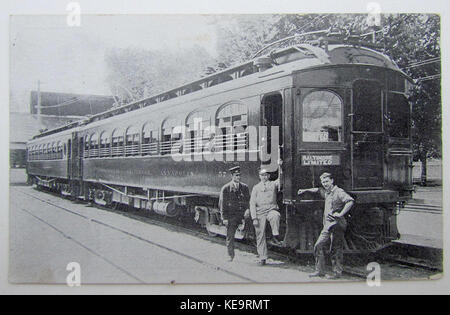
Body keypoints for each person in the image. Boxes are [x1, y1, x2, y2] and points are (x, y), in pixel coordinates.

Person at [297, 172, 354, 279]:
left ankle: (337, 273)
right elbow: (318, 190)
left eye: (327, 181)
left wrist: (341, 214)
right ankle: (320, 271)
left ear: (332, 181)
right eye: (323, 182)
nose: (325, 184)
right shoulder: (327, 192)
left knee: (335, 249)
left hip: (337, 225)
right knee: (318, 246)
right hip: (328, 226)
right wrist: (305, 190)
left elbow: (350, 201)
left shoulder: (338, 192)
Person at [249, 168, 282, 266]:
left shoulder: (273, 184)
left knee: (276, 215)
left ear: (269, 176)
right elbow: (252, 203)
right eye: (262, 175)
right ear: (259, 176)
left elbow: (281, 179)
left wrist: (280, 166)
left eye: (266, 175)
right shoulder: (256, 188)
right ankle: (262, 257)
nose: (264, 177)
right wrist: (254, 218)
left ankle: (275, 234)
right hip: (260, 212)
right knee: (260, 235)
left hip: (271, 209)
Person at [219, 166, 250, 262]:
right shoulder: (226, 188)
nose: (238, 177)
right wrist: (224, 218)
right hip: (231, 216)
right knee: (230, 236)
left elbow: (248, 201)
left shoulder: (245, 187)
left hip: (242, 215)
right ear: (232, 176)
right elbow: (222, 204)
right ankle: (230, 255)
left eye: (239, 175)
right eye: (236, 175)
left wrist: (248, 210)